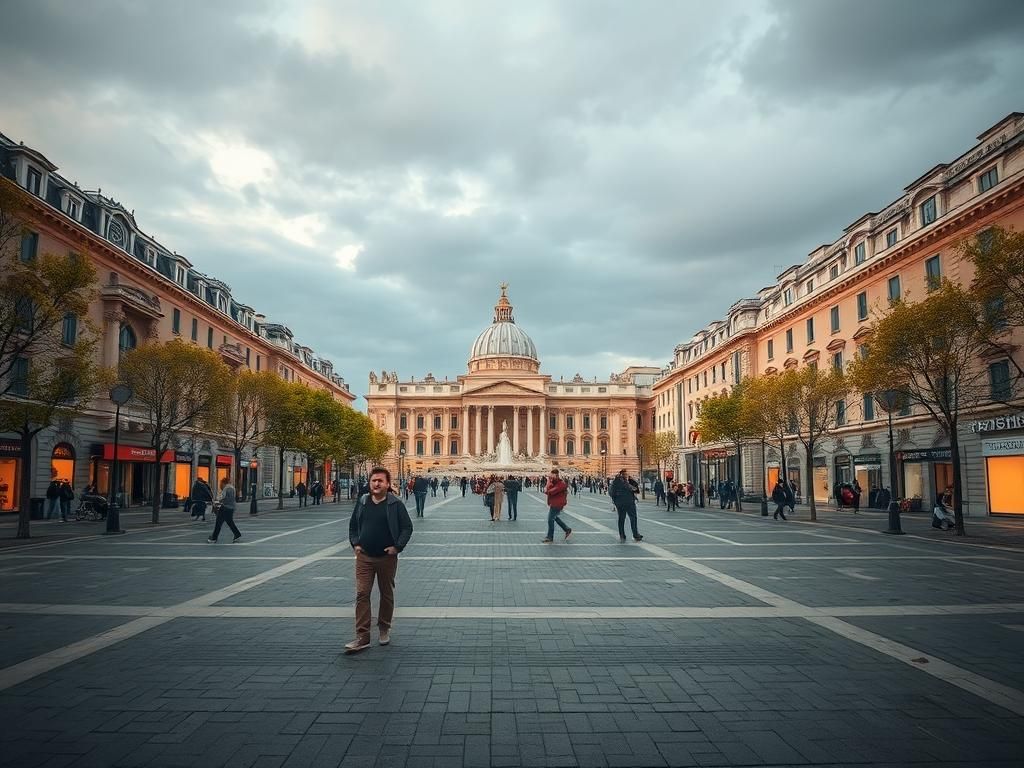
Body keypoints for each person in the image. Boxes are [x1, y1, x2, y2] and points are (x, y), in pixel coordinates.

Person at [345, 467, 413, 654]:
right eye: (374, 480)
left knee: (386, 593)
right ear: (370, 483)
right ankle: (362, 636)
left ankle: (384, 628)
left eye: (380, 481)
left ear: (388, 484)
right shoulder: (363, 501)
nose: (376, 483)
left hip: (386, 557)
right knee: (362, 594)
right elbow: (352, 526)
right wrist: (355, 543)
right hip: (364, 557)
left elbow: (407, 527)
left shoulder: (395, 504)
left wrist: (397, 547)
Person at [610, 468, 643, 542]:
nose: (626, 475)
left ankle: (629, 535)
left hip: (625, 503)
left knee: (626, 519)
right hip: (625, 503)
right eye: (625, 474)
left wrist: (632, 480)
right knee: (627, 519)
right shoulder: (621, 482)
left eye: (626, 474)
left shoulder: (622, 482)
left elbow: (636, 490)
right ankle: (630, 535)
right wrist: (616, 502)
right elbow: (636, 490)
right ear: (621, 474)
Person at [541, 468, 572, 543]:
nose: (551, 477)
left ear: (557, 475)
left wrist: (547, 489)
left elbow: (552, 491)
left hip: (558, 504)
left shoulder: (562, 484)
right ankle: (567, 529)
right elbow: (548, 489)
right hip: (554, 503)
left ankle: (550, 537)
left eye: (552, 476)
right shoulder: (553, 482)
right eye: (551, 475)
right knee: (555, 518)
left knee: (550, 519)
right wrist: (549, 481)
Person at [207, 476, 241, 543]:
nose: (220, 485)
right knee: (230, 522)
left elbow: (222, 497)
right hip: (231, 507)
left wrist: (216, 501)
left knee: (218, 523)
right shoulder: (232, 487)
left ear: (223, 483)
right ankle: (237, 534)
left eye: (221, 483)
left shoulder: (226, 488)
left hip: (225, 508)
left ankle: (214, 538)